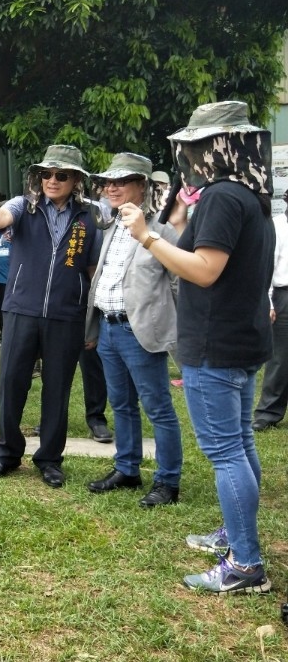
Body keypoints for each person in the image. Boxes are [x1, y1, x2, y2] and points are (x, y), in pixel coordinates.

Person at [122, 100, 273, 593]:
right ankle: (236, 535)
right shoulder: (249, 196)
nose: (190, 157)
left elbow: (204, 272)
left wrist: (145, 237)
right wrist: (181, 217)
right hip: (241, 338)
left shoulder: (225, 198)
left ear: (218, 147)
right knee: (241, 444)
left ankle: (245, 565)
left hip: (215, 343)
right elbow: (200, 253)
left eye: (196, 147)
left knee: (226, 451)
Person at [0, 145, 101, 488]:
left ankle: (50, 458)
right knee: (11, 382)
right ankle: (7, 453)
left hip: (66, 314)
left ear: (76, 180)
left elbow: (93, 270)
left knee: (57, 388)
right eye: (46, 174)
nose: (52, 181)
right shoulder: (25, 206)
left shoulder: (90, 217)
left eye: (61, 175)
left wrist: (91, 316)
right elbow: (1, 216)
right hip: (22, 309)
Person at [84, 152, 183, 507]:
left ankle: (168, 482)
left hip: (140, 332)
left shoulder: (162, 232)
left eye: (121, 181)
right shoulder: (110, 226)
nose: (111, 187)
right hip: (109, 329)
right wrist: (93, 327)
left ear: (141, 186)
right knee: (121, 404)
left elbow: (177, 285)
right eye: (108, 182)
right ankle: (127, 468)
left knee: (157, 408)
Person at [253, 189, 288, 432]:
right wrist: (269, 303)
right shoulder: (276, 226)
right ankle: (268, 413)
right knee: (280, 359)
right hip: (284, 294)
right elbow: (266, 267)